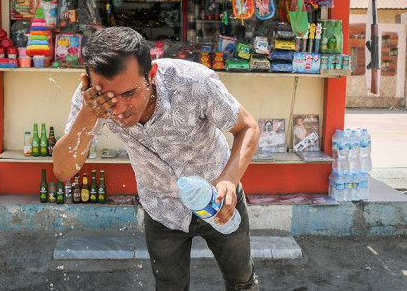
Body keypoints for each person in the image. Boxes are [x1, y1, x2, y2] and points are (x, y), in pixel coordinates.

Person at [53, 27, 260, 290]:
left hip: (219, 199)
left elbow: (248, 127)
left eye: (129, 93)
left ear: (151, 74)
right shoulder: (91, 103)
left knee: (242, 281)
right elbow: (63, 170)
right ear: (89, 84)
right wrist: (89, 113)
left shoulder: (193, 82)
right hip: (162, 210)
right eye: (108, 98)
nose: (118, 109)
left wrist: (229, 180)